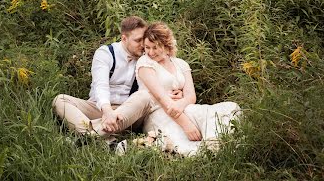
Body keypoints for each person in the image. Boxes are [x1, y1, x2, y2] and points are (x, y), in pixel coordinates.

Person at [53, 16, 181, 138]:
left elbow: (156, 83)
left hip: (131, 111)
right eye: (137, 40)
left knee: (143, 96)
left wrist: (170, 94)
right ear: (124, 38)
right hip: (100, 108)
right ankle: (94, 135)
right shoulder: (106, 53)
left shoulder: (147, 57)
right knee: (60, 100)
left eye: (143, 40)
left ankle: (91, 135)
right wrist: (107, 112)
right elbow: (100, 85)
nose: (143, 45)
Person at [136, 22, 240, 156]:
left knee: (227, 109)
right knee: (184, 143)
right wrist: (186, 124)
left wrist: (180, 103)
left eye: (155, 47)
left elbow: (191, 97)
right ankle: (207, 151)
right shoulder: (145, 63)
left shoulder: (180, 63)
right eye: (147, 47)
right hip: (158, 113)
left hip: (184, 108)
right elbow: (161, 98)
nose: (150, 52)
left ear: (167, 46)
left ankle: (214, 144)